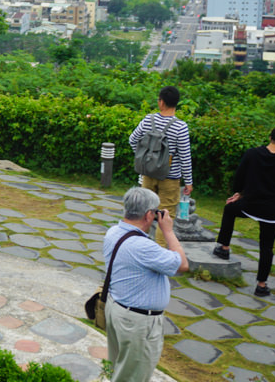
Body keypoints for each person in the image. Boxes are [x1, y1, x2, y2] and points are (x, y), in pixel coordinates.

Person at [104, 187, 189, 382]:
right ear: (150, 215)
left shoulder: (113, 232)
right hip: (138, 323)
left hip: (117, 310)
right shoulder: (144, 247)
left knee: (118, 368)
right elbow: (183, 264)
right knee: (133, 377)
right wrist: (168, 231)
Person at [212, 126, 275, 297]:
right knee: (266, 248)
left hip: (249, 205)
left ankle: (224, 247)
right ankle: (261, 285)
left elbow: (239, 177)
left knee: (229, 209)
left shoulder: (252, 154)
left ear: (270, 137)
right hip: (271, 212)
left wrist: (239, 193)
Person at [128, 85, 192, 247]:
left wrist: (143, 158)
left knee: (145, 212)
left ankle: (139, 246)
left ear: (161, 102)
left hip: (148, 174)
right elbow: (185, 156)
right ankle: (159, 252)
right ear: (176, 103)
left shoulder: (148, 120)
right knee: (165, 215)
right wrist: (189, 182)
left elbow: (133, 140)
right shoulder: (181, 127)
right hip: (170, 177)